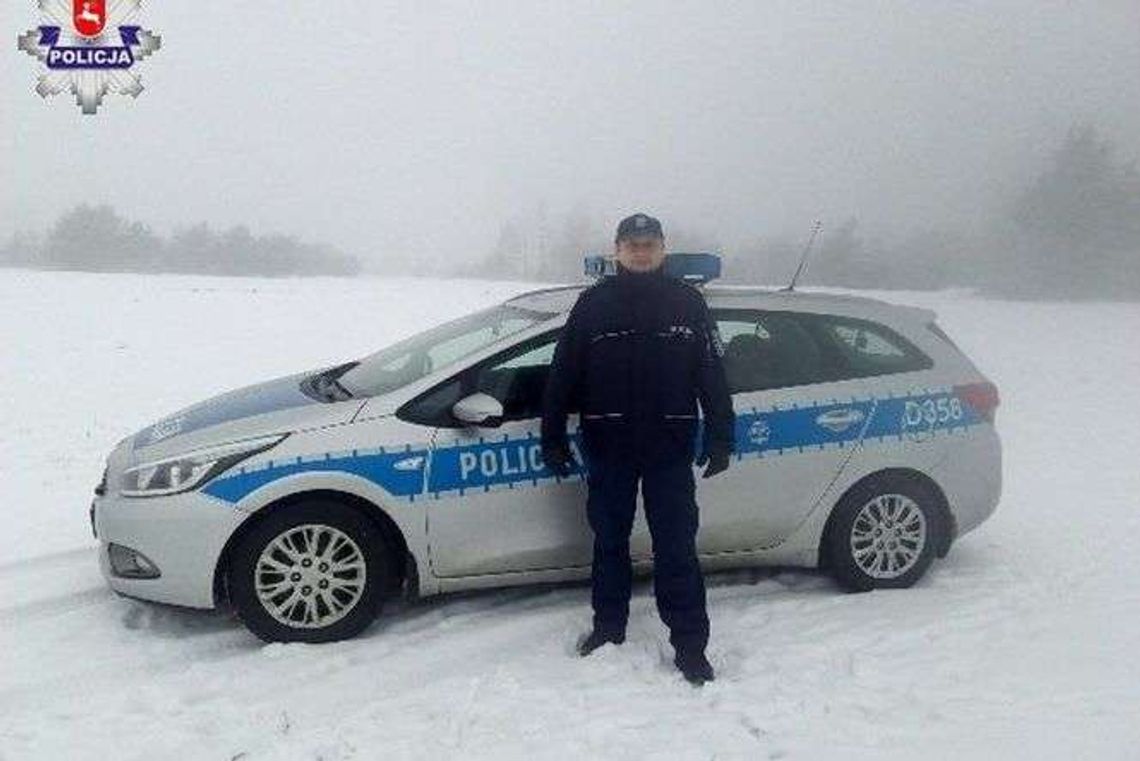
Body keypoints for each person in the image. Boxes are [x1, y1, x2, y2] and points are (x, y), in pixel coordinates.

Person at [540, 212, 735, 686]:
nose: (641, 252)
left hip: (669, 448)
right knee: (609, 544)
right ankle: (608, 629)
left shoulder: (688, 303)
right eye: (633, 245)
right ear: (618, 251)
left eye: (649, 244)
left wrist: (721, 434)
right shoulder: (592, 304)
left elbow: (711, 372)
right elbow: (564, 372)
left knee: (677, 549)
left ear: (663, 249)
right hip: (608, 446)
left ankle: (690, 646)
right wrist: (552, 434)